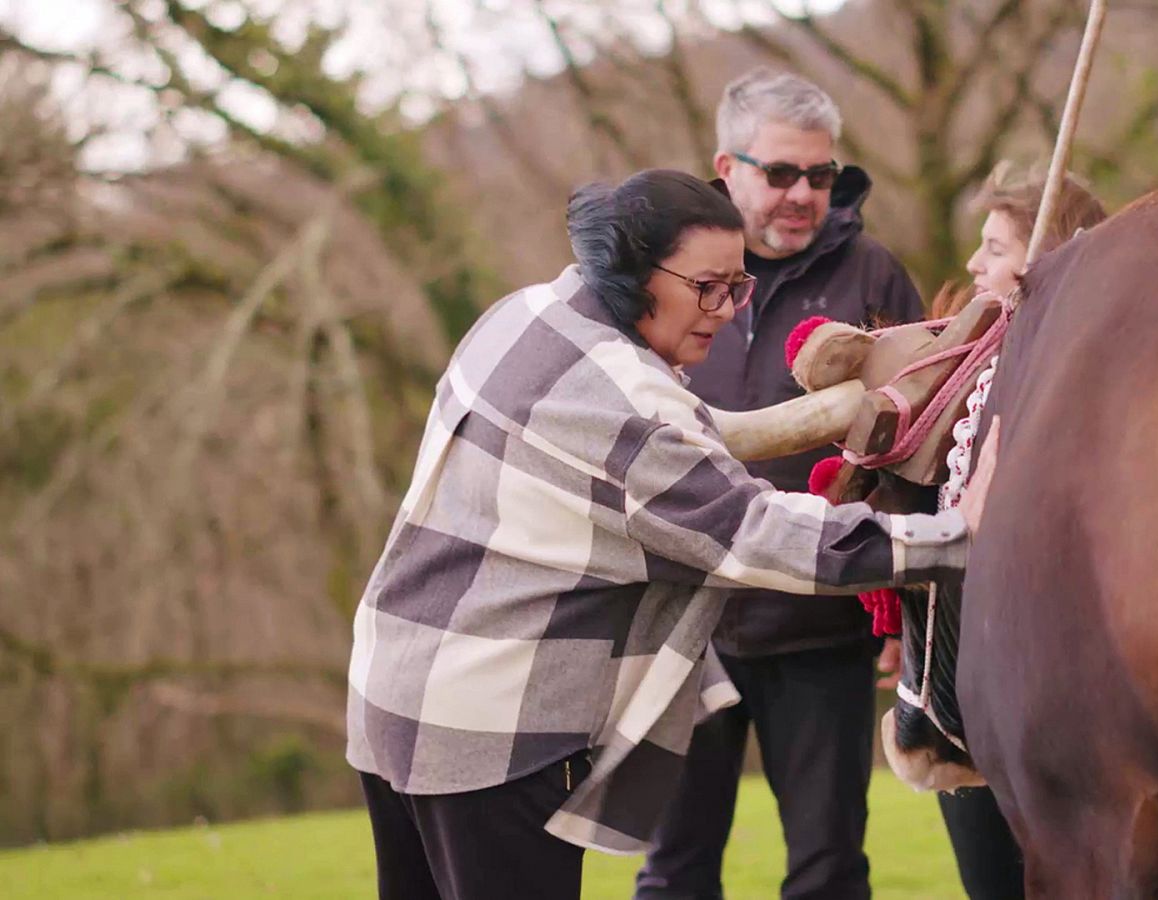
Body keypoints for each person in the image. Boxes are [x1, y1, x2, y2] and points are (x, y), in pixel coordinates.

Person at [345, 169, 988, 900]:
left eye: (738, 286)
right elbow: (761, 536)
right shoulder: (629, 405)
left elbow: (675, 440)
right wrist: (962, 537)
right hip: (491, 732)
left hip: (393, 693)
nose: (725, 310)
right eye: (707, 287)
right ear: (630, 270)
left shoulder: (525, 315)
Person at [636, 70, 924, 900]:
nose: (805, 195)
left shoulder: (875, 277)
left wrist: (903, 611)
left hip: (822, 625)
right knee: (673, 872)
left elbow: (914, 458)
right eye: (782, 173)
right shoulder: (662, 280)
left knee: (830, 871)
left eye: (822, 176)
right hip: (684, 624)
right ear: (726, 168)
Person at [932, 161, 1108, 900]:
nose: (974, 263)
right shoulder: (961, 362)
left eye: (997, 247)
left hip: (1056, 693)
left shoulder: (1093, 380)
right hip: (961, 687)